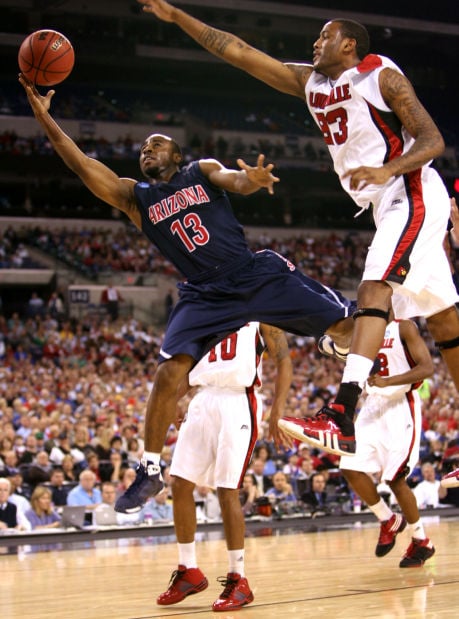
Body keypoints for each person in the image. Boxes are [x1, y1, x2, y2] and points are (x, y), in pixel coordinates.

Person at [20, 73, 358, 515]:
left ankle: (331, 340)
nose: (147, 150)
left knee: (350, 327)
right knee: (167, 374)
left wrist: (250, 179)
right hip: (204, 294)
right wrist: (44, 118)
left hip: (250, 273)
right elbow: (81, 164)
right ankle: (149, 467)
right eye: (142, 148)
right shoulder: (134, 197)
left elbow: (230, 178)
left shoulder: (199, 171)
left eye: (156, 144)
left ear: (176, 155)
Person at [139, 1, 459, 459]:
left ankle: (341, 415)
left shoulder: (380, 75)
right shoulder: (311, 83)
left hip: (410, 188)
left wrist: (385, 167)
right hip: (383, 201)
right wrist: (178, 17)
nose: (315, 43)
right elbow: (239, 51)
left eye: (324, 36)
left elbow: (432, 140)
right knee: (445, 320)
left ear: (348, 44)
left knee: (374, 289)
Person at [156, 322, 291, 611]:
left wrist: (277, 409)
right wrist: (170, 401)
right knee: (179, 483)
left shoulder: (260, 315)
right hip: (203, 398)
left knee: (227, 489)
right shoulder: (204, 312)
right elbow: (190, 372)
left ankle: (238, 579)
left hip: (238, 400)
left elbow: (284, 360)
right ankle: (188, 570)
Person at [339, 318, 436, 567]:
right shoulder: (363, 329)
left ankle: (421, 540)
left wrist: (389, 381)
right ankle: (388, 519)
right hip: (372, 405)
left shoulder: (404, 326)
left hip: (401, 404)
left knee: (395, 479)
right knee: (349, 465)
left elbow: (427, 368)